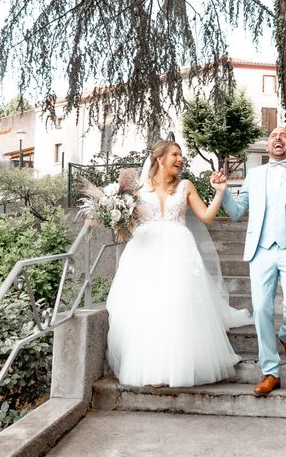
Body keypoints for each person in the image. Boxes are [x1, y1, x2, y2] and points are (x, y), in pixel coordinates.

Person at [106, 140, 252, 388]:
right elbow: (125, 232)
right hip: (145, 253)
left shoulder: (186, 186)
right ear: (160, 158)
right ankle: (153, 367)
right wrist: (112, 213)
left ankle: (179, 365)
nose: (180, 159)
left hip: (178, 252)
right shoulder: (138, 192)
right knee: (149, 307)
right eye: (175, 154)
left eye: (181, 155)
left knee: (177, 303)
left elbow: (206, 217)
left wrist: (219, 193)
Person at [215, 126, 286, 396]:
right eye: (273, 136)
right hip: (261, 250)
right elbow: (238, 212)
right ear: (267, 147)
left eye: (284, 135)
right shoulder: (254, 174)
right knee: (262, 308)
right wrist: (224, 191)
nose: (278, 138)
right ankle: (270, 372)